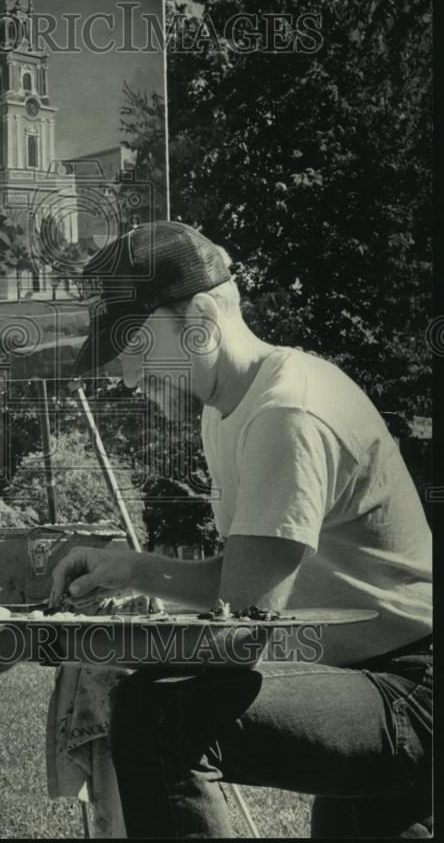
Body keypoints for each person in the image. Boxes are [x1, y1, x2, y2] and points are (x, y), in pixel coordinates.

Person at [48, 220, 432, 838]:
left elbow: (243, 633)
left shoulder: (287, 413)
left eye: (137, 347)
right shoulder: (228, 408)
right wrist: (131, 568)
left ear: (200, 314)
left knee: (157, 714)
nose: (126, 376)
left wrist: (57, 642)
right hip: (365, 678)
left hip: (412, 689)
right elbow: (244, 583)